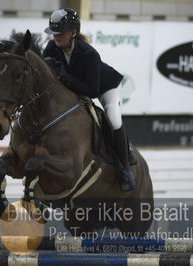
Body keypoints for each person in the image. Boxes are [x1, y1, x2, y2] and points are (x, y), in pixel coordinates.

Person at [43, 8, 136, 191]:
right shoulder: (51, 48)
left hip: (104, 87)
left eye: (60, 33)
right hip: (76, 89)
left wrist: (65, 77)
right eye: (54, 33)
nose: (56, 37)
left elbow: (92, 91)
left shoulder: (89, 54)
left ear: (73, 33)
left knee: (114, 119)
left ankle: (124, 168)